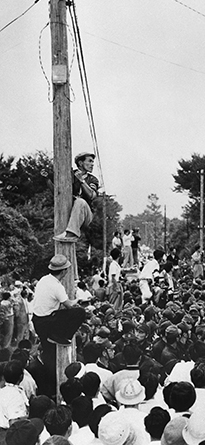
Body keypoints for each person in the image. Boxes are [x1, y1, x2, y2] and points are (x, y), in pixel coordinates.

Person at [32, 255, 86, 386]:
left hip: (38, 320)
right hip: (47, 321)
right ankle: (61, 337)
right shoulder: (57, 286)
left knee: (49, 354)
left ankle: (49, 386)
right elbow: (69, 305)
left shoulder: (44, 280)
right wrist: (78, 300)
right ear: (63, 271)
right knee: (80, 312)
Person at [55, 152, 99, 241]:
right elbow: (58, 193)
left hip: (86, 214)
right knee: (76, 201)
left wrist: (81, 181)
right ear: (80, 163)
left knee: (80, 201)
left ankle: (71, 234)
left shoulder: (92, 179)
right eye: (89, 161)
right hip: (71, 212)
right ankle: (68, 232)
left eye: (92, 162)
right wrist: (47, 179)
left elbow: (92, 195)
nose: (92, 164)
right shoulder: (69, 174)